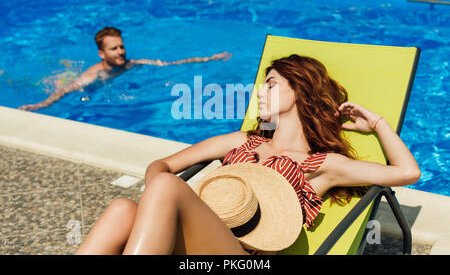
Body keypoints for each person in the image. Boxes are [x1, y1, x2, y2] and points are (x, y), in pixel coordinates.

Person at [74, 54, 421, 255]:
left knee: (167, 187)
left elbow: (407, 173)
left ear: (300, 91)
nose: (261, 91)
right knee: (124, 207)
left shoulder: (324, 166)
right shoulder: (244, 141)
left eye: (271, 84)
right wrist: (157, 198)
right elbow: (160, 166)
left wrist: (377, 124)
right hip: (195, 245)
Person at [18, 27, 232, 111]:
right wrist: (40, 104)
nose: (121, 52)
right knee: (30, 82)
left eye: (121, 46)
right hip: (61, 81)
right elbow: (65, 90)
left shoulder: (131, 64)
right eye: (114, 49)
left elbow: (172, 64)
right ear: (102, 54)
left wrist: (210, 58)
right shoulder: (94, 75)